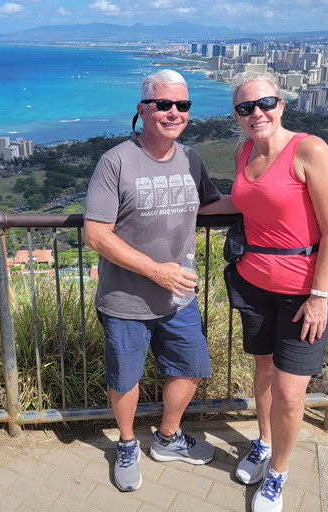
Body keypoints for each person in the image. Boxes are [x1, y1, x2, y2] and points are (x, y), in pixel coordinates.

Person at [84, 69, 225, 492]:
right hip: (126, 299)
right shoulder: (116, 161)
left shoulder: (191, 159)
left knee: (191, 368)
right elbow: (96, 234)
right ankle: (127, 444)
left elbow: (214, 206)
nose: (173, 112)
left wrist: (278, 203)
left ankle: (167, 438)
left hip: (179, 297)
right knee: (126, 378)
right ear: (143, 109)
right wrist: (155, 270)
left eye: (182, 105)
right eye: (163, 104)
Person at [218, 72, 328, 512]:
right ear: (236, 115)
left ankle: (278, 472)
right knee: (264, 372)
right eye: (245, 108)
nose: (257, 113)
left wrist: (320, 295)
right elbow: (241, 200)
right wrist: (175, 209)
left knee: (291, 393)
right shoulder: (243, 151)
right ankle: (265, 442)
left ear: (282, 105)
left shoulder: (309, 150)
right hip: (254, 282)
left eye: (265, 103)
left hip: (305, 291)